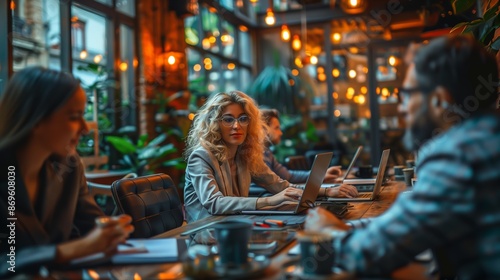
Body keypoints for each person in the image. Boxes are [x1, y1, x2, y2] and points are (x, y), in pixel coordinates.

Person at [304, 35, 500, 279]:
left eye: (406, 94)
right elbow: (411, 225)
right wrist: (354, 228)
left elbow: (371, 253)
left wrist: (326, 232)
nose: (401, 107)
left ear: (440, 99)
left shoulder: (459, 153)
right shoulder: (485, 136)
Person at [0, 67, 134, 277]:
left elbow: (92, 227)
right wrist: (69, 250)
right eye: (74, 116)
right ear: (36, 118)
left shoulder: (69, 167)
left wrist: (111, 232)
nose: (85, 128)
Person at [183, 91, 349, 223]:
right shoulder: (201, 156)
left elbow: (281, 186)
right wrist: (270, 201)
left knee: (311, 217)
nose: (236, 126)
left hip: (238, 223)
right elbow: (214, 203)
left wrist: (327, 191)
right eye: (228, 119)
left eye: (243, 119)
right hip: (206, 232)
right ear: (215, 123)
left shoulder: (245, 154)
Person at [259, 108, 357, 198]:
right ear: (263, 129)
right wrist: (325, 190)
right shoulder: (256, 156)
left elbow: (287, 176)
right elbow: (277, 185)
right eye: (276, 128)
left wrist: (319, 176)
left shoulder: (267, 153)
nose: (281, 133)